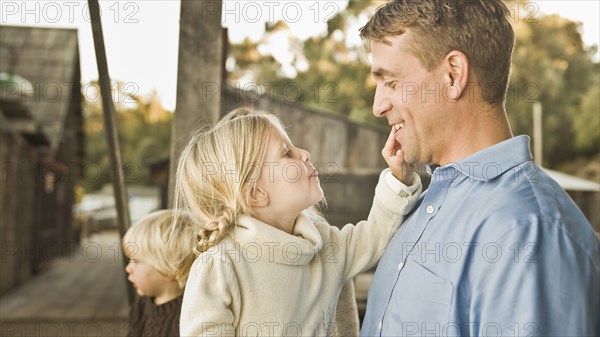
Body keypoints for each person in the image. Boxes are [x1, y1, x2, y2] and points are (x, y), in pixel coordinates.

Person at [358, 1, 600, 336]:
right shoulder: (427, 203)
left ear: (454, 75)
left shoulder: (529, 232)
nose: (377, 106)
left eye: (392, 82)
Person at [173, 109, 422, 336]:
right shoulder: (220, 265)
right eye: (286, 153)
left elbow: (376, 235)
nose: (305, 153)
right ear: (256, 193)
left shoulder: (327, 245)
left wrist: (400, 175)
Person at [123, 209, 197, 337]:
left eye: (136, 261)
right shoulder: (140, 307)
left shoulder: (188, 316)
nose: (128, 268)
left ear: (169, 269)